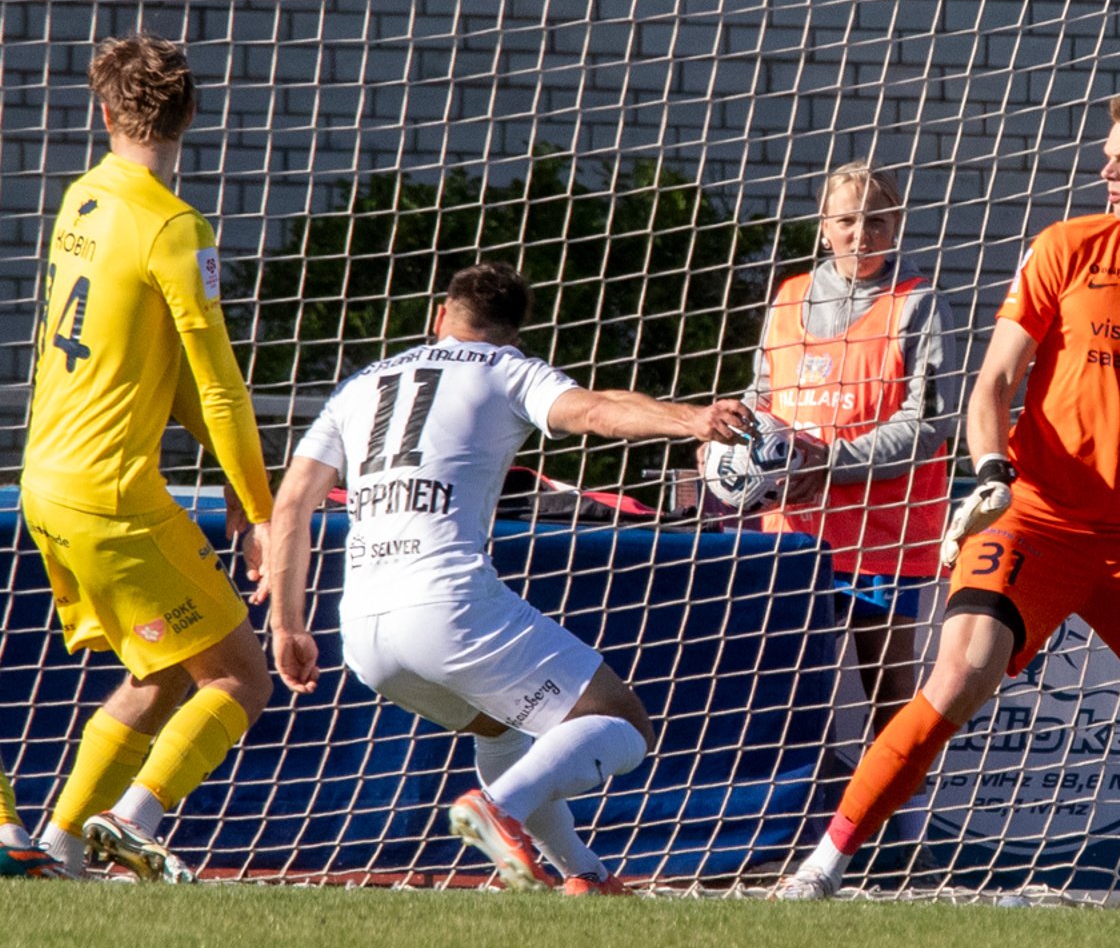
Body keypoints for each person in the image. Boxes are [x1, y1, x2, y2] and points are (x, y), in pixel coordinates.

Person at [780, 85, 1120, 914]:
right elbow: (992, 383)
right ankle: (818, 871)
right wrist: (990, 474)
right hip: (1037, 516)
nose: (1105, 171)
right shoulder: (1068, 247)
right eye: (1107, 157)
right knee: (958, 677)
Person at [265, 262, 756, 895]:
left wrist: (286, 623)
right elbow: (599, 412)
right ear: (513, 335)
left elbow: (291, 505)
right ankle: (500, 810)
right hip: (445, 602)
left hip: (360, 630)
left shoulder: (361, 384)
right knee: (623, 720)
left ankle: (584, 876)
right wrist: (689, 419)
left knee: (501, 727)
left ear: (441, 317)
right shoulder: (505, 369)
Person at [23, 33, 276, 884]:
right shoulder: (176, 228)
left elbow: (160, 379)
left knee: (165, 664)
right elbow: (218, 389)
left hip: (43, 481)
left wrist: (235, 478)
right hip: (112, 494)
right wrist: (262, 511)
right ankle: (129, 820)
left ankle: (56, 848)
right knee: (242, 675)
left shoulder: (80, 200)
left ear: (104, 112)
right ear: (193, 116)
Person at [742, 162, 956, 874]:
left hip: (886, 532)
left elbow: (926, 423)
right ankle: (778, 832)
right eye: (846, 218)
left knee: (889, 688)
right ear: (823, 225)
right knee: (785, 683)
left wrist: (826, 460)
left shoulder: (915, 302)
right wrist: (747, 455)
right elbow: (761, 397)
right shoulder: (789, 296)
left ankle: (902, 840)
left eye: (877, 219)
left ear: (896, 226)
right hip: (792, 533)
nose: (861, 232)